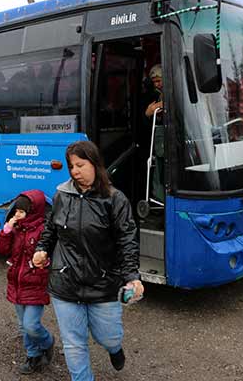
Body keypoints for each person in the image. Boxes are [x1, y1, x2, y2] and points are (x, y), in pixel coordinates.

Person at [32, 140, 143, 381]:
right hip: (65, 283)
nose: (75, 172)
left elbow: (127, 240)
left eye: (80, 165)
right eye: (71, 166)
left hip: (103, 284)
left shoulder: (115, 199)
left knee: (108, 336)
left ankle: (114, 348)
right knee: (73, 344)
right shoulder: (62, 194)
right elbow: (50, 230)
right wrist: (41, 249)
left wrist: (132, 277)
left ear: (95, 164)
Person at [0, 191, 54, 375]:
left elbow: (49, 256)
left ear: (33, 212)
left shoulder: (44, 231)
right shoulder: (16, 229)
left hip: (35, 284)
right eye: (16, 211)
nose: (17, 215)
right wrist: (7, 229)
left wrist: (43, 261)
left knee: (31, 325)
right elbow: (4, 250)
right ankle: (33, 356)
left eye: (22, 212)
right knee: (24, 326)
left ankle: (47, 341)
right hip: (17, 283)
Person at [144, 64, 165, 203]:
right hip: (160, 140)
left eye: (159, 80)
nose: (157, 84)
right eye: (155, 82)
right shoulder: (156, 95)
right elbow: (148, 113)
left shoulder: (169, 91)